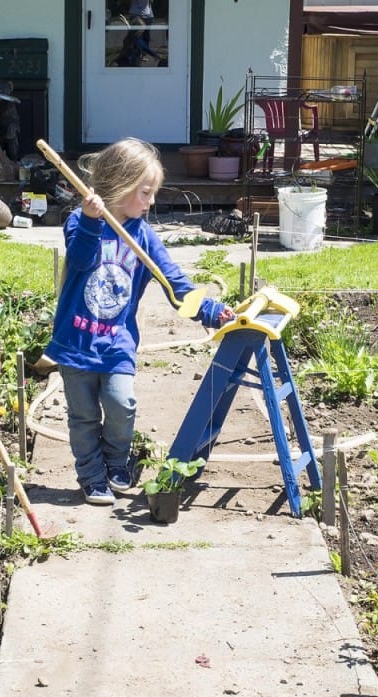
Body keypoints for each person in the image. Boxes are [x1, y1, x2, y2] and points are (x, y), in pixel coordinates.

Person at [44, 138, 235, 506]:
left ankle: (118, 461)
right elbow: (81, 260)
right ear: (120, 184)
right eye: (145, 192)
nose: (150, 202)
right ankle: (92, 477)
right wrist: (91, 220)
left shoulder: (143, 235)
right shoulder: (79, 222)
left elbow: (173, 282)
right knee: (83, 417)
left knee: (122, 403)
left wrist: (209, 310)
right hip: (75, 342)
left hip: (116, 342)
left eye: (153, 193)